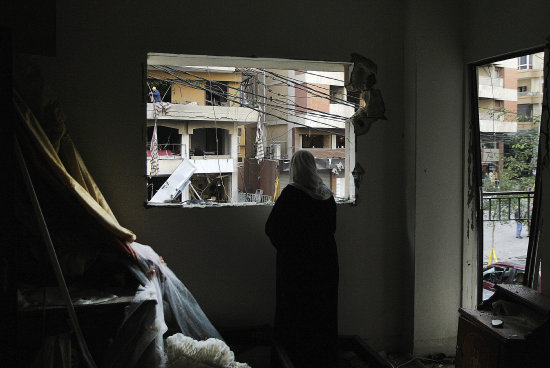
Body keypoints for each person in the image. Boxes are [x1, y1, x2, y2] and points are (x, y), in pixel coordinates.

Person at [265, 150, 338, 368]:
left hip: (296, 268)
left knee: (295, 315)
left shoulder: (291, 195)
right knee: (322, 313)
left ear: (296, 169)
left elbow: (272, 229)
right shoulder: (326, 194)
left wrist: (290, 248)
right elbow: (331, 229)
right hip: (325, 265)